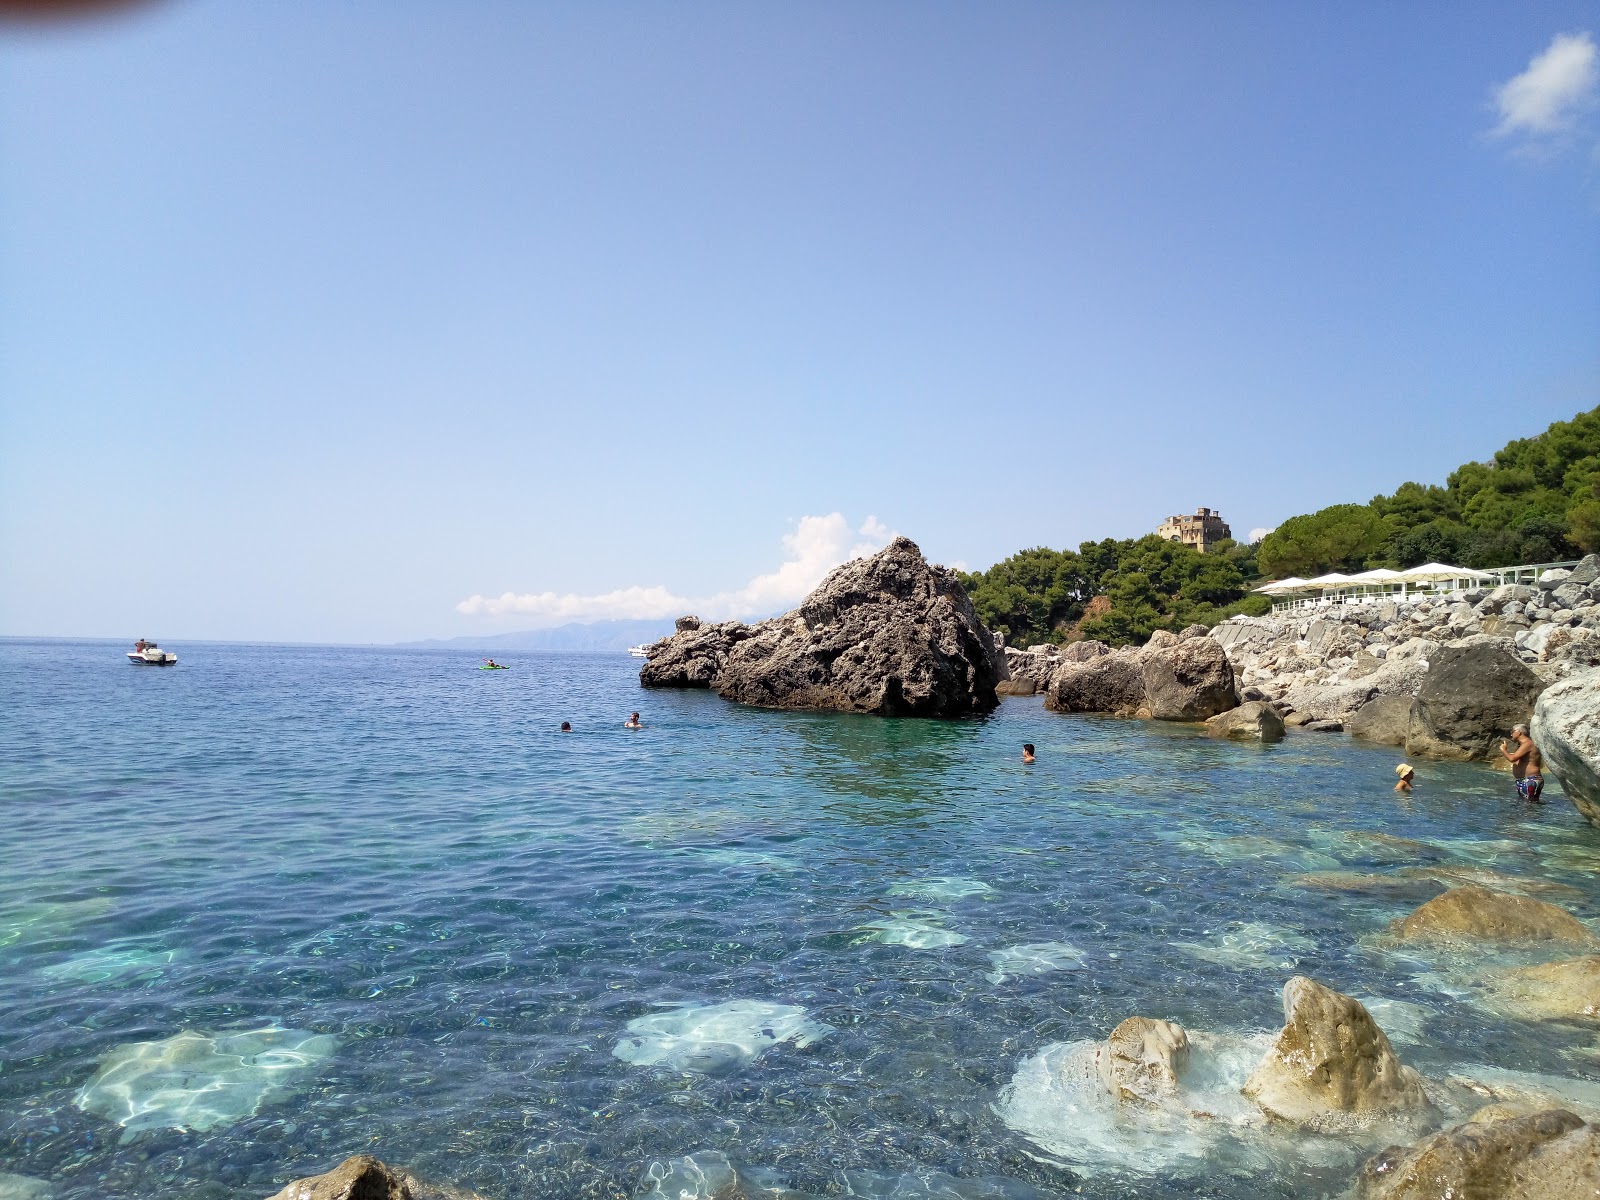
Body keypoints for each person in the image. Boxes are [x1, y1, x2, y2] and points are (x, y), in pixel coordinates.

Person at [1501, 724, 1544, 801]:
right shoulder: (1524, 745)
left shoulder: (1527, 744)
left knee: (1529, 808)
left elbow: (1512, 759)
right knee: (1526, 807)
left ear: (1519, 732)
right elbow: (1520, 760)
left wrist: (1503, 750)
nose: (1511, 734)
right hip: (1525, 780)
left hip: (1530, 780)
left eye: (1512, 731)